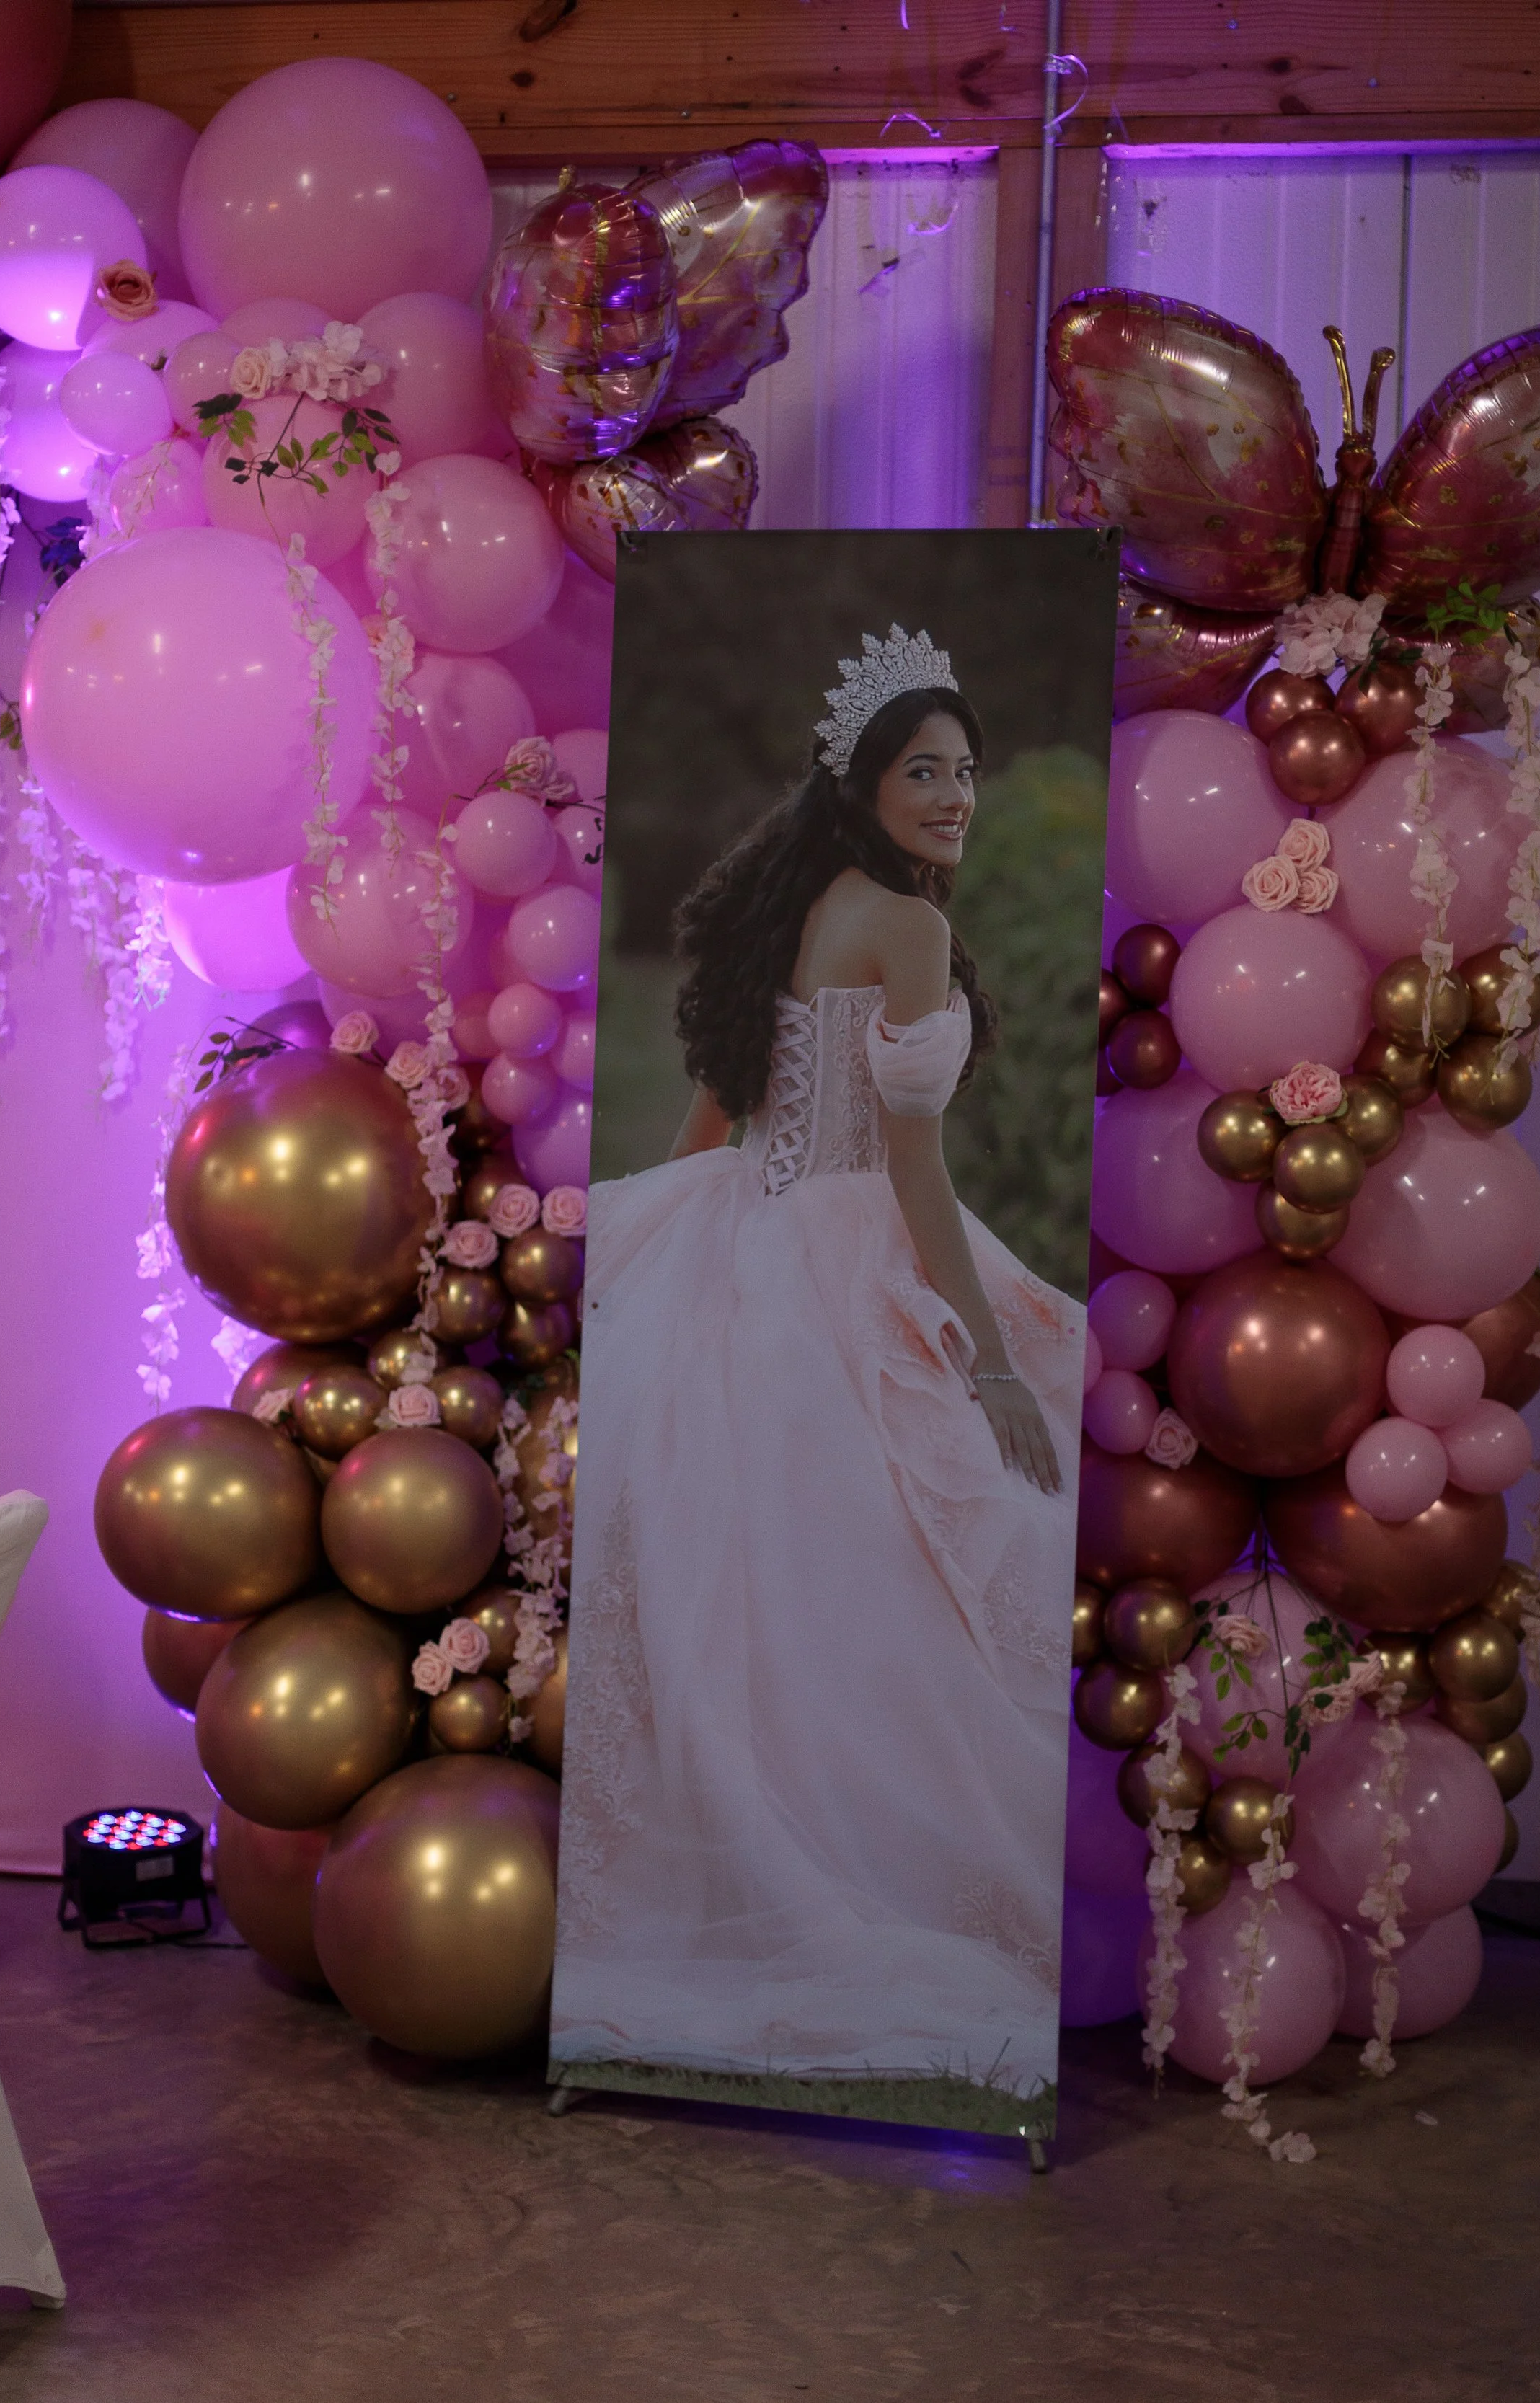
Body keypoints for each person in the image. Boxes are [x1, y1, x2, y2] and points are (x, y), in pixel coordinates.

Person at [552, 627, 1084, 2115]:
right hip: (840, 1237)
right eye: (926, 770)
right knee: (925, 1533)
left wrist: (649, 1260)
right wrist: (979, 1356)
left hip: (752, 1233)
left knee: (770, 1570)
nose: (956, 796)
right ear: (861, 783)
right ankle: (868, 1855)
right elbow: (910, 1168)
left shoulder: (790, 905)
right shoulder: (902, 929)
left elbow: (714, 1123)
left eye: (965, 771)